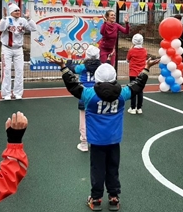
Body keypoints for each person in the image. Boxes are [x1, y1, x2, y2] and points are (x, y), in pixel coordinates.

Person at [50, 57, 159, 211]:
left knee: (97, 169)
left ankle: (96, 199)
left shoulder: (89, 94)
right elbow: (137, 85)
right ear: (114, 78)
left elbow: (72, 85)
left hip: (96, 141)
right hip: (114, 140)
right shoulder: (122, 94)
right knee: (113, 168)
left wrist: (63, 67)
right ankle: (114, 197)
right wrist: (146, 67)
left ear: (97, 78)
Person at [67, 45, 102, 152]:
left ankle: (84, 143)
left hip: (85, 95)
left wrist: (69, 57)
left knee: (83, 120)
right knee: (97, 118)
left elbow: (71, 68)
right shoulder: (101, 67)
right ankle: (97, 140)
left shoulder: (82, 67)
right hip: (98, 95)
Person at [0, 3, 37, 100]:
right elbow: (1, 28)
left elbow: (34, 28)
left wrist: (29, 19)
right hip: (6, 48)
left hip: (19, 49)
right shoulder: (7, 19)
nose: (18, 12)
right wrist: (3, 18)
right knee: (6, 71)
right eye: (16, 10)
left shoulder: (23, 21)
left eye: (19, 10)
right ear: (11, 12)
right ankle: (6, 94)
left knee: (19, 71)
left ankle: (18, 93)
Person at [126, 34, 148, 115]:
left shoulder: (131, 51)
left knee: (133, 90)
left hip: (133, 73)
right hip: (142, 74)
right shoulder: (144, 50)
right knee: (140, 91)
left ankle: (132, 108)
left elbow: (127, 60)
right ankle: (139, 108)